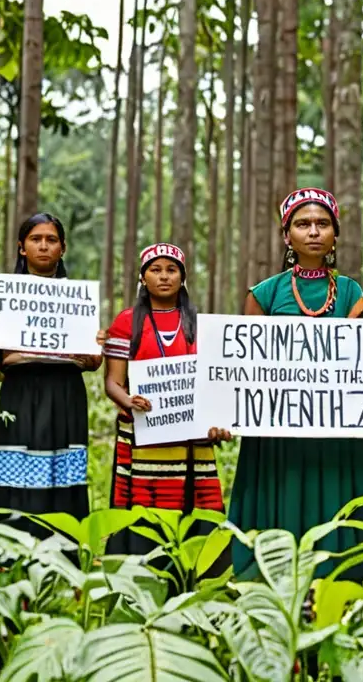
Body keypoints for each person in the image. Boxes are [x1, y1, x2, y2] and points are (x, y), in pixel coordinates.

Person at [226, 187, 363, 582]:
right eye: (303, 224)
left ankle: (339, 579)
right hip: (278, 430)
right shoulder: (265, 293)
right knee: (284, 492)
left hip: (336, 429)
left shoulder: (351, 293)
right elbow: (245, 364)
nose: (313, 231)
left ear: (334, 235)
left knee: (333, 498)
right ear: (286, 235)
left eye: (322, 224)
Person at [102, 242, 227, 567]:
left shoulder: (201, 325)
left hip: (192, 441)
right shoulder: (126, 322)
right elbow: (112, 382)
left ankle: (196, 576)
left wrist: (217, 420)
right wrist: (128, 400)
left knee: (194, 510)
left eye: (171, 270)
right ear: (142, 277)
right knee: (143, 510)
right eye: (155, 270)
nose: (164, 277)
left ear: (182, 277)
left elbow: (215, 382)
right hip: (142, 436)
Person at [0, 213, 102, 533]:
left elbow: (93, 360)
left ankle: (63, 549)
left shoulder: (77, 301)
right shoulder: (6, 296)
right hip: (20, 391)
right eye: (36, 239)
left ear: (62, 248)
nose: (43, 246)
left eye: (51, 240)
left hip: (65, 391)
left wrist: (95, 345)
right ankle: (11, 549)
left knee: (63, 467)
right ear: (22, 248)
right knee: (16, 464)